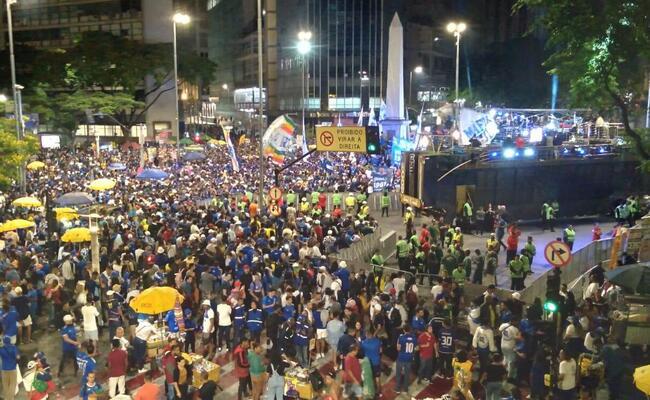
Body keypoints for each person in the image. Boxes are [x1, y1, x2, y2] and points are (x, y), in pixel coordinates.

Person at [395, 325, 416, 395]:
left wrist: (398, 341)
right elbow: (417, 348)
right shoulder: (414, 337)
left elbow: (398, 349)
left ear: (404, 330)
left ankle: (397, 388)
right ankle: (405, 389)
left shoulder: (401, 337)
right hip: (409, 358)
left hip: (401, 358)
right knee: (407, 374)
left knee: (398, 374)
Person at [0, 336, 18, 400]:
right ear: (10, 341)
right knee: (12, 385)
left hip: (4, 369)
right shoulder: (14, 348)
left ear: (3, 342)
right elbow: (18, 357)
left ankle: (6, 398)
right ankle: (10, 398)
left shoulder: (1, 349)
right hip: (13, 369)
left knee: (5, 385)